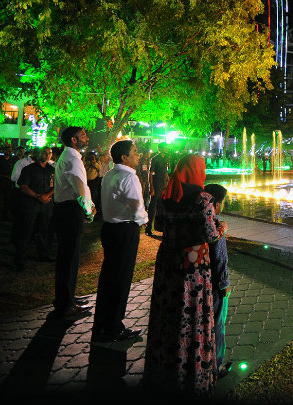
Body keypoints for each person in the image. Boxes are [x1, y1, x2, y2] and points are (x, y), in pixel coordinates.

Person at [143, 154, 225, 396]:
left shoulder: (167, 196)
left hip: (169, 261)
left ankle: (164, 369)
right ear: (197, 171)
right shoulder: (203, 199)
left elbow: (158, 226)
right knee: (193, 315)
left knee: (168, 312)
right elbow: (210, 234)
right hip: (193, 266)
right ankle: (193, 373)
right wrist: (221, 228)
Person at [91, 140, 148, 342]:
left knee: (109, 277)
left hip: (110, 228)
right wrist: (143, 221)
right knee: (121, 278)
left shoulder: (110, 174)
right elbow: (136, 208)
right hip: (124, 229)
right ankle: (114, 326)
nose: (138, 154)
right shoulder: (129, 177)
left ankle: (102, 322)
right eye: (134, 151)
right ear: (124, 157)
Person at [51, 127, 95, 318]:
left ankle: (68, 297)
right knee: (68, 258)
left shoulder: (70, 156)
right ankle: (65, 304)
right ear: (73, 139)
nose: (87, 137)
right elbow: (79, 187)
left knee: (69, 257)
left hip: (66, 210)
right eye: (83, 135)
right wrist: (88, 209)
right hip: (69, 211)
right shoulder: (72, 158)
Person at [203, 183, 233, 379]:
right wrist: (224, 283)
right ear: (216, 204)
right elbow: (220, 257)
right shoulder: (215, 226)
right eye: (223, 202)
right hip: (215, 284)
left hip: (201, 281)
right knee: (218, 323)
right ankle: (217, 364)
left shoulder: (197, 220)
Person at [13, 147, 55, 271]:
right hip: (30, 204)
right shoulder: (28, 169)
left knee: (43, 230)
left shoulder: (52, 169)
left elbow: (56, 185)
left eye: (49, 153)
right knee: (26, 231)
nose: (47, 155)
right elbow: (23, 186)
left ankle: (43, 254)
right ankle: (20, 260)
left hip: (46, 204)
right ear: (37, 154)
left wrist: (47, 196)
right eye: (44, 152)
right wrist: (38, 196)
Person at [145, 143, 169, 236]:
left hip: (164, 185)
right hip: (156, 185)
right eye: (165, 148)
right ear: (160, 149)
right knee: (153, 207)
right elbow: (150, 173)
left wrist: (168, 182)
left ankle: (159, 227)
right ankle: (148, 228)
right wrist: (151, 187)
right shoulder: (155, 159)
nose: (167, 149)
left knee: (162, 207)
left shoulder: (166, 158)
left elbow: (166, 171)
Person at [0, 145, 15, 223]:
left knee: (7, 200)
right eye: (8, 150)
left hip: (9, 183)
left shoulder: (12, 160)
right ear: (4, 151)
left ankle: (5, 216)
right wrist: (3, 176)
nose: (9, 152)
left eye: (10, 151)